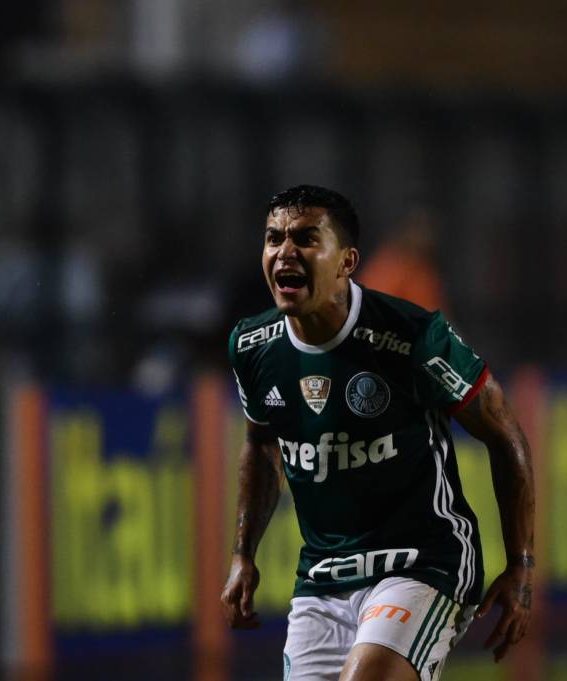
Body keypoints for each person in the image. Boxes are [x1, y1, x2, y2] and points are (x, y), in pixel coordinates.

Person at [220, 185, 534, 681]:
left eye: (306, 239)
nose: (285, 252)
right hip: (322, 580)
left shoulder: (413, 336)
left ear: (347, 262)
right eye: (274, 238)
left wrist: (521, 565)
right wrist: (243, 554)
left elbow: (506, 435)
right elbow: (261, 445)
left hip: (423, 565)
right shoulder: (252, 346)